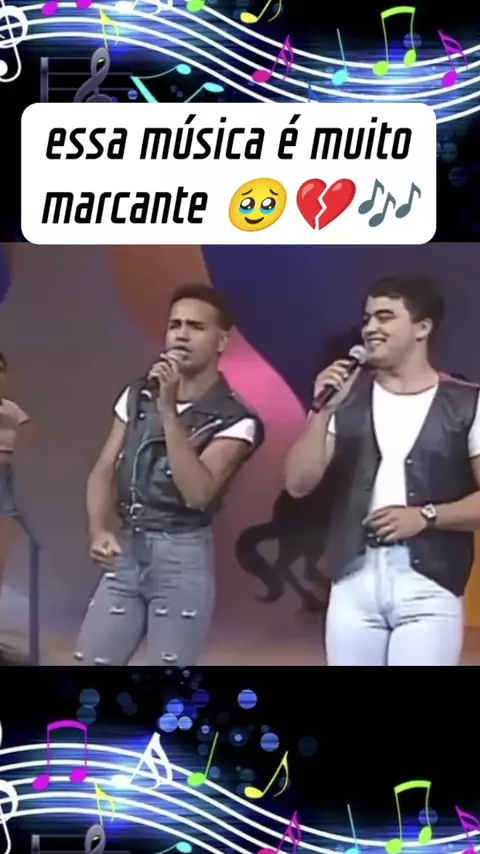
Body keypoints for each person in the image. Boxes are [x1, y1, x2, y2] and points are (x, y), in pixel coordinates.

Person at [284, 275, 480, 666]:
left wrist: (426, 516)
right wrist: (321, 412)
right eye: (368, 318)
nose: (371, 328)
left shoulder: (467, 403)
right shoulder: (345, 399)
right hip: (353, 585)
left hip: (430, 587)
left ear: (422, 328)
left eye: (385, 317)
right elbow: (297, 484)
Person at [73, 283, 264, 666]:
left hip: (181, 558)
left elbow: (197, 493)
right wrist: (98, 529)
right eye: (175, 325)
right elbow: (103, 469)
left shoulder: (236, 418)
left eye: (196, 326)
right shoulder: (136, 396)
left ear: (221, 340)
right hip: (128, 551)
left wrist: (168, 409)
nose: (181, 335)